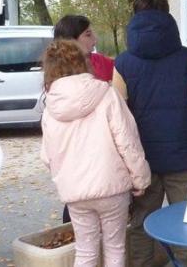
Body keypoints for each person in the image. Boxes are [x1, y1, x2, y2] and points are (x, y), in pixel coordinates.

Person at [113, 0, 187, 267]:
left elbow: (117, 117)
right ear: (168, 16)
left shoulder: (123, 63)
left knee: (141, 222)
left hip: (142, 160)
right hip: (184, 157)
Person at [39, 40, 150, 267]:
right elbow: (127, 142)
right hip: (111, 187)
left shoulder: (50, 108)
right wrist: (141, 178)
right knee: (115, 247)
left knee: (85, 250)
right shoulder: (107, 95)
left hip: (76, 193)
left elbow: (46, 156)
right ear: (83, 63)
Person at [53, 14, 115, 224]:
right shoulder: (55, 72)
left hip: (104, 151)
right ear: (71, 39)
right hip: (75, 154)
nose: (95, 39)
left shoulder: (104, 64)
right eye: (88, 34)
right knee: (78, 217)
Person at [54, 14, 114, 81]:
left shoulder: (101, 61)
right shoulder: (58, 72)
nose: (95, 38)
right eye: (88, 35)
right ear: (70, 41)